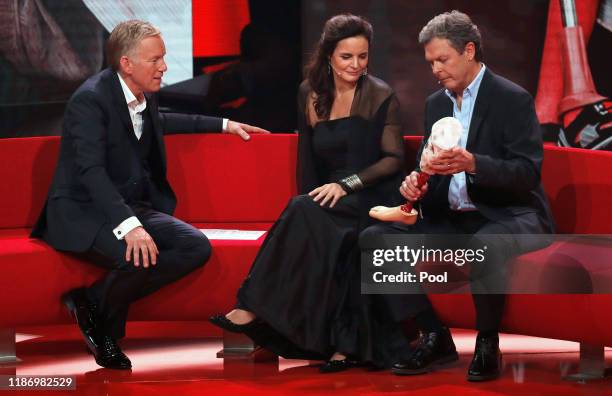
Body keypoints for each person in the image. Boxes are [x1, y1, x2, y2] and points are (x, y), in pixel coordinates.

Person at [30, 19, 268, 370]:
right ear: (127, 63)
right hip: (83, 211)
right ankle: (106, 334)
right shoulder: (90, 101)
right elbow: (90, 172)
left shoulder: (141, 95)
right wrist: (131, 227)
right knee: (139, 254)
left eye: (164, 57)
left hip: (129, 206)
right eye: (155, 59)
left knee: (194, 247)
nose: (164, 67)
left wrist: (224, 125)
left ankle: (92, 303)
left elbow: (163, 122)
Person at [210, 13, 413, 372]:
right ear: (329, 55)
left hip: (371, 192)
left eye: (363, 56)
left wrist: (345, 185)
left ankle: (249, 308)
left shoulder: (380, 94)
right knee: (302, 209)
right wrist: (310, 202)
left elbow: (393, 160)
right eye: (347, 56)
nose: (356, 65)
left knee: (308, 211)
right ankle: (315, 334)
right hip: (328, 195)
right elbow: (308, 161)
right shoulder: (309, 93)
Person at [359, 11, 554, 381]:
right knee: (375, 239)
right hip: (452, 217)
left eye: (442, 60)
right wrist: (417, 185)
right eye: (430, 62)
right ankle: (434, 335)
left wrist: (472, 163)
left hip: (509, 214)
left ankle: (487, 342)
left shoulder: (511, 99)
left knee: (485, 244)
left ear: (468, 51)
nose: (435, 69)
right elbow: (428, 169)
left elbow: (527, 174)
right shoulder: (436, 104)